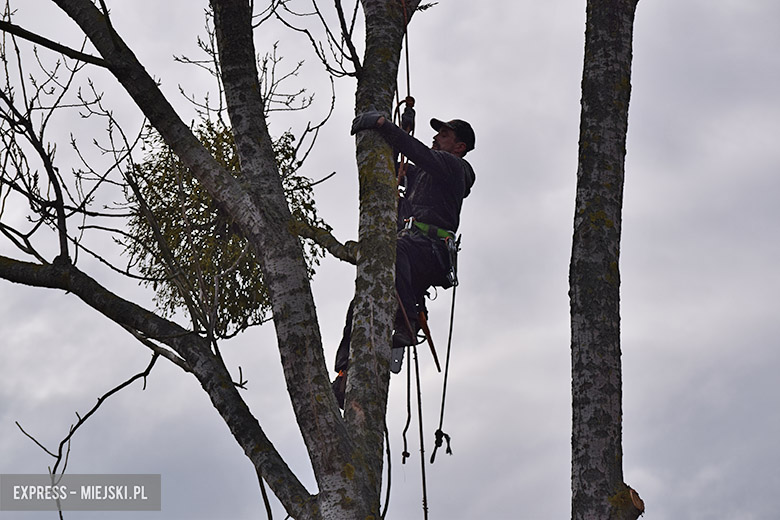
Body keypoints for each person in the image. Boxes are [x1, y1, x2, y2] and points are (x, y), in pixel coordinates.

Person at [332, 104, 476, 407]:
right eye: (437, 132)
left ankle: (407, 318)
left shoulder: (454, 168)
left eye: (445, 134)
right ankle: (345, 372)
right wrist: (399, 127)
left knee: (390, 251)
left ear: (459, 147)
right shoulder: (424, 172)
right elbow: (395, 162)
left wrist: (384, 124)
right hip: (412, 247)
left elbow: (417, 151)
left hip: (429, 250)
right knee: (362, 298)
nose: (437, 137)